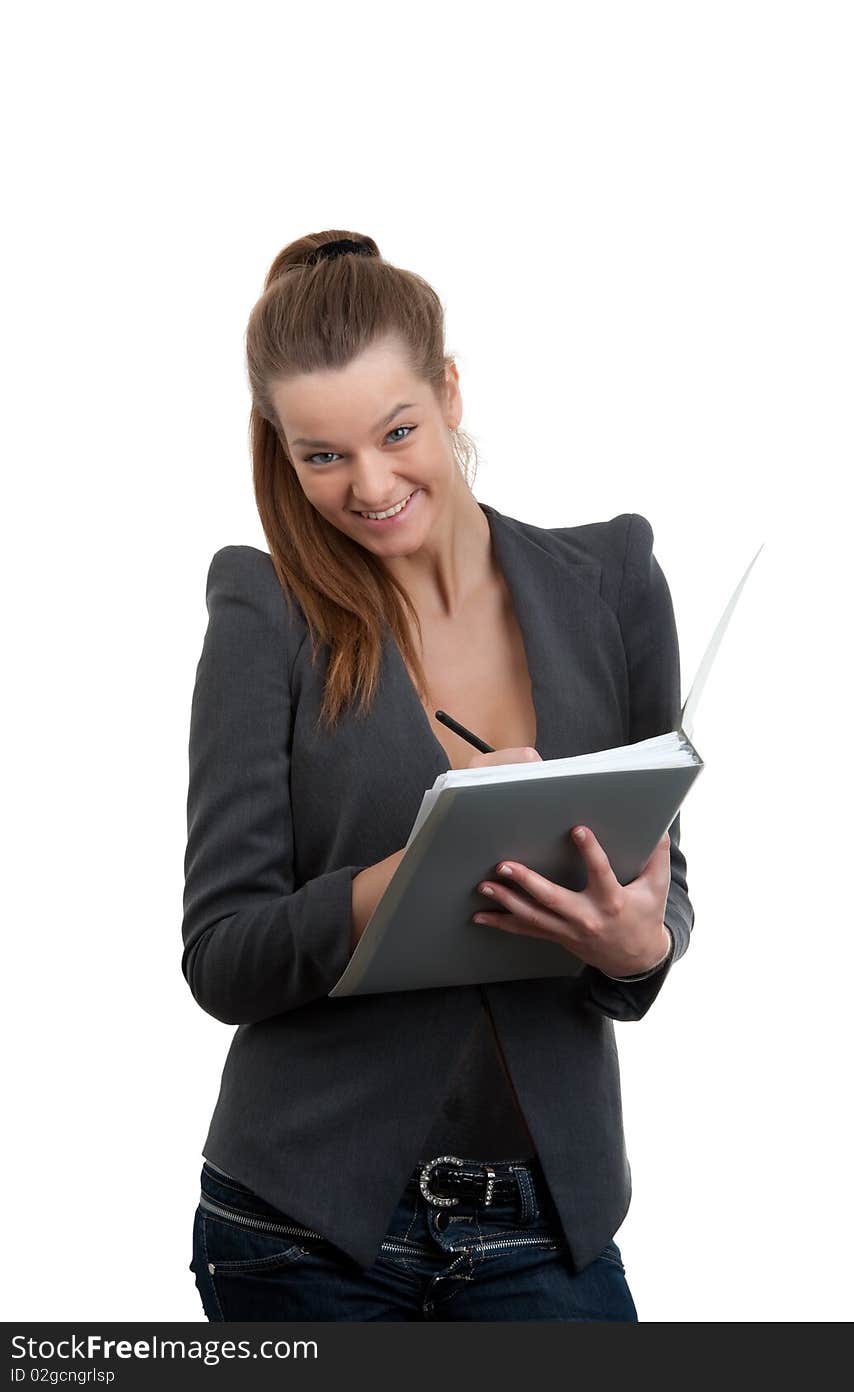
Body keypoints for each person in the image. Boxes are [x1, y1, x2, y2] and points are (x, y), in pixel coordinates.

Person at [183, 230, 694, 1322]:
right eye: (320, 456)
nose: (368, 487)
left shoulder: (608, 584)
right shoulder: (264, 614)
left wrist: (637, 947)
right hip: (300, 1233)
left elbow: (659, 894)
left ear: (450, 392)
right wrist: (399, 879)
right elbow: (221, 956)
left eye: (396, 431)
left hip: (547, 1222)